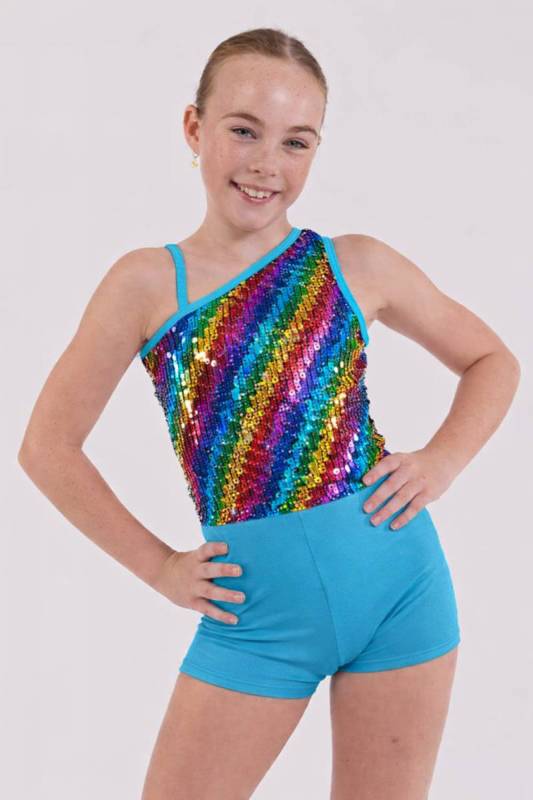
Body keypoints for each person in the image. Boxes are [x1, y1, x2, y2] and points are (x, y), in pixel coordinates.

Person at [18, 26, 520, 800]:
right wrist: (159, 566)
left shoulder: (354, 263)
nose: (265, 164)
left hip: (401, 591)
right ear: (194, 128)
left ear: (315, 150)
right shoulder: (146, 283)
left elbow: (491, 360)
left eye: (295, 142)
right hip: (256, 619)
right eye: (243, 131)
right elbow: (47, 446)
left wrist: (441, 459)